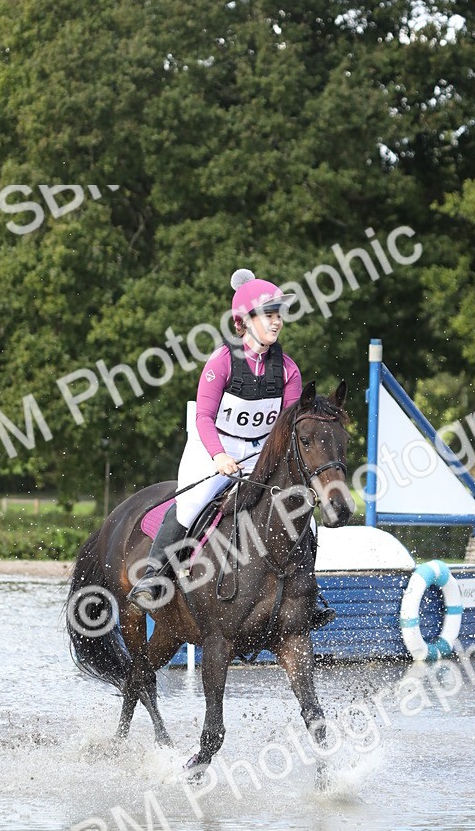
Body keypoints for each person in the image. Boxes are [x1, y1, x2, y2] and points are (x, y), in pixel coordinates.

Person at [127, 268, 335, 628]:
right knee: (192, 502)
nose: (277, 321)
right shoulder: (221, 363)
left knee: (300, 509)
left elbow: (285, 425)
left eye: (278, 314)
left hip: (261, 451)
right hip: (213, 446)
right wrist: (220, 456)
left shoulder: (288, 370)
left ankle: (308, 592)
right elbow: (204, 418)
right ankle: (152, 578)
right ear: (246, 320)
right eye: (269, 314)